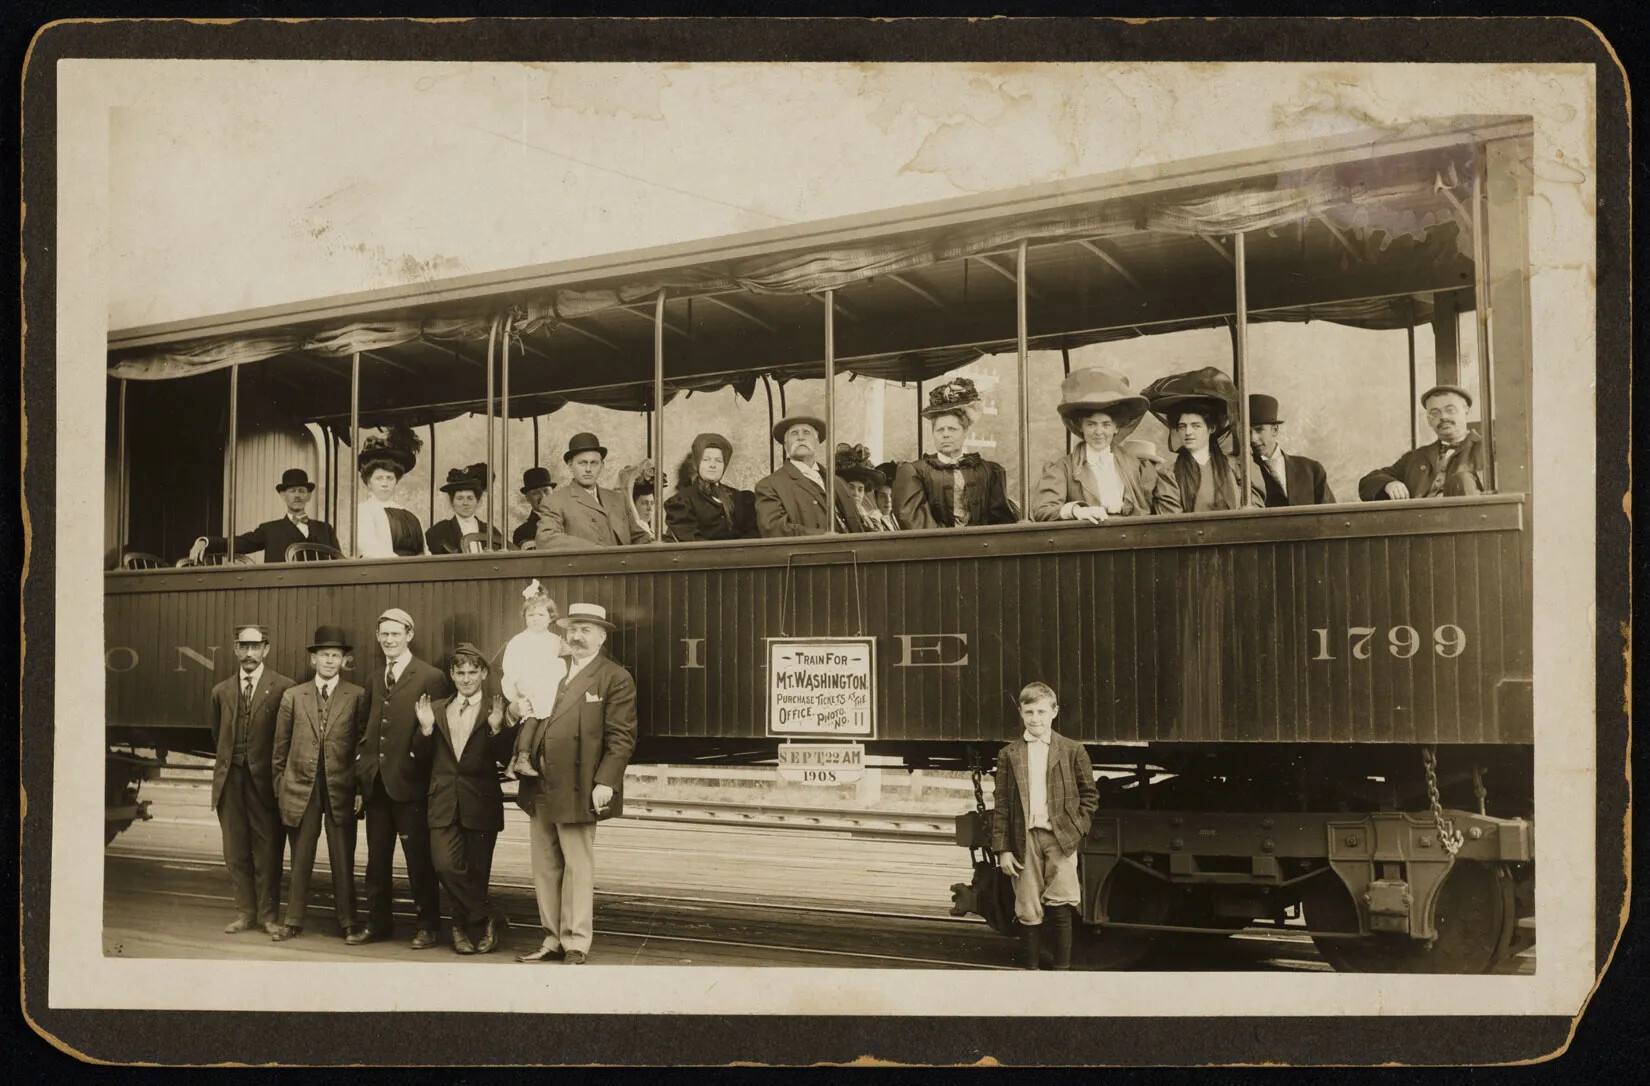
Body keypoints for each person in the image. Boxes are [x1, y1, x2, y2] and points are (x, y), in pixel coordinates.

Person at [516, 603, 638, 965]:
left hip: (580, 785)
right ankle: (552, 938)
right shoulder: (553, 672)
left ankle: (576, 942)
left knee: (577, 865)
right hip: (541, 784)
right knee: (545, 866)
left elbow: (622, 738)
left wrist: (606, 782)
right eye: (572, 629)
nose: (577, 636)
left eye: (586, 629)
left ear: (601, 636)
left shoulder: (614, 677)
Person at [348, 607, 448, 948]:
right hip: (376, 784)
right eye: (384, 634)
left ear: (409, 635)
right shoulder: (376, 677)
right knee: (376, 861)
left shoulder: (430, 676)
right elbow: (366, 726)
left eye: (396, 633)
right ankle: (378, 923)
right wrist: (363, 771)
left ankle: (426, 925)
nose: (389, 640)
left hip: (410, 785)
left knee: (418, 859)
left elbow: (435, 734)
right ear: (377, 638)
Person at [412, 644, 516, 955]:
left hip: (480, 801)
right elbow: (420, 759)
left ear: (484, 674)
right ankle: (490, 916)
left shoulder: (496, 709)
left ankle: (463, 930)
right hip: (442, 800)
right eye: (461, 673)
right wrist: (426, 729)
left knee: (477, 872)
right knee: (444, 865)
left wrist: (498, 730)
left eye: (473, 672)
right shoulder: (437, 708)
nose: (467, 678)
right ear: (452, 675)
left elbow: (506, 759)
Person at [990, 682, 1099, 971]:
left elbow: (1090, 795)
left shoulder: (1073, 750)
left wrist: (1076, 830)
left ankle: (1061, 972)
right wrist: (1002, 849)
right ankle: (1032, 971)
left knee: (1061, 903)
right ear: (1021, 713)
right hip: (1023, 839)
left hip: (1060, 839)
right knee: (1027, 907)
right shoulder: (1009, 754)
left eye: (1041, 711)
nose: (1035, 718)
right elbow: (1001, 804)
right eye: (1029, 712)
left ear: (1054, 712)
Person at [270, 625, 368, 942]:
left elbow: (361, 747)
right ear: (314, 659)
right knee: (300, 856)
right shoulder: (293, 696)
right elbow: (279, 751)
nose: (329, 660)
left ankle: (349, 921)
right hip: (301, 788)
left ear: (344, 660)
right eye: (323, 655)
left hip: (341, 787)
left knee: (343, 856)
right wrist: (281, 787)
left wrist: (358, 790)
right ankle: (293, 920)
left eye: (335, 655)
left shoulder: (357, 696)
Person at [206, 624, 294, 936]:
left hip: (265, 783)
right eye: (243, 646)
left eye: (255, 647)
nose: (249, 653)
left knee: (268, 850)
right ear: (235, 649)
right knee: (236, 851)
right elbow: (218, 737)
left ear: (266, 650)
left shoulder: (284, 688)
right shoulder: (221, 691)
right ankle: (245, 913)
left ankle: (268, 916)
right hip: (231, 782)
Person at [1030, 367, 1158, 523]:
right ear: (1080, 427)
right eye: (1091, 424)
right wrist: (1077, 510)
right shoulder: (1063, 469)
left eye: (1106, 425)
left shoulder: (1136, 465)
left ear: (1116, 427)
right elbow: (1043, 510)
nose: (1099, 432)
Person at [893, 377, 1016, 530]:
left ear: (965, 432)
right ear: (933, 434)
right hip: (937, 550)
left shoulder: (989, 471)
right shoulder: (916, 472)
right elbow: (913, 521)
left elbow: (1001, 522)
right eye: (939, 430)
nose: (945, 435)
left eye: (952, 429)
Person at [1143, 367, 1265, 514]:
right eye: (1182, 426)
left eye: (1196, 426)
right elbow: (1172, 522)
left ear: (1211, 428)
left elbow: (1254, 511)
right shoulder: (1170, 474)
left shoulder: (1236, 467)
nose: (1188, 432)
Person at [1358, 384, 1487, 501]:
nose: (1443, 417)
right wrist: (1388, 483)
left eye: (1450, 410)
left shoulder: (1488, 450)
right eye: (1434, 413)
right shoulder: (1415, 457)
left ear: (1467, 412)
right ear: (1429, 420)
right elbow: (1367, 482)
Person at [188, 468, 341, 564]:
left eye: (301, 491)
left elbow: (340, 561)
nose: (297, 496)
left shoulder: (325, 529)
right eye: (292, 491)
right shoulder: (270, 530)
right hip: (283, 598)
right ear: (283, 495)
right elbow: (241, 542)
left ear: (308, 496)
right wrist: (206, 542)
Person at [533, 433, 651, 549]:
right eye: (582, 463)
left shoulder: (618, 499)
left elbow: (639, 537)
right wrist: (593, 549)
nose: (588, 469)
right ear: (570, 465)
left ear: (602, 466)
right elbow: (545, 539)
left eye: (594, 463)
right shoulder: (555, 501)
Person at [753, 414, 865, 536]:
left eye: (806, 432)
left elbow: (857, 525)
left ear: (817, 442)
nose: (800, 437)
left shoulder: (838, 482)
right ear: (785, 445)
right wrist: (821, 537)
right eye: (794, 434)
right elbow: (774, 529)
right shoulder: (770, 486)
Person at [502, 580, 569, 780]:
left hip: (547, 689)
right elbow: (511, 668)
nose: (535, 619)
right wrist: (520, 691)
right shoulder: (519, 641)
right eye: (531, 615)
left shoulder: (555, 640)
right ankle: (523, 757)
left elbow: (568, 655)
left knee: (541, 720)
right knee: (531, 718)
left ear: (551, 618)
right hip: (528, 687)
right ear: (525, 618)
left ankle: (514, 761)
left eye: (541, 615)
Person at [663, 432, 759, 542]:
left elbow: (753, 536)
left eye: (718, 460)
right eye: (706, 460)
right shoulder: (682, 501)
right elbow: (691, 542)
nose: (712, 465)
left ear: (724, 465)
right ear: (697, 464)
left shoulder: (740, 498)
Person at [1247, 395, 1335, 506]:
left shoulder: (1312, 470)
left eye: (1259, 430)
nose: (1252, 438)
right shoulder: (1244, 474)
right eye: (1247, 431)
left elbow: (1330, 517)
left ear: (1274, 430)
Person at [356, 426, 426, 558]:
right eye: (379, 478)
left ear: (396, 481)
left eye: (389, 478)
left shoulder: (410, 515)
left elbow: (423, 551)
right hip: (381, 572)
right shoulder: (364, 510)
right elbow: (368, 546)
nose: (384, 483)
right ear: (369, 483)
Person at [426, 463, 506, 554]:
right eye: (460, 498)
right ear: (452, 502)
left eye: (470, 498)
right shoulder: (438, 532)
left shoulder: (490, 531)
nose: (465, 503)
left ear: (477, 502)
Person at [836, 444, 899, 532]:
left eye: (860, 489)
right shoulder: (837, 515)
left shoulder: (866, 517)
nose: (856, 494)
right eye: (851, 487)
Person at [513, 466, 555, 549]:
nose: (543, 497)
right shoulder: (522, 532)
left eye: (546, 491)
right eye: (535, 493)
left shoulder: (569, 522)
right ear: (528, 498)